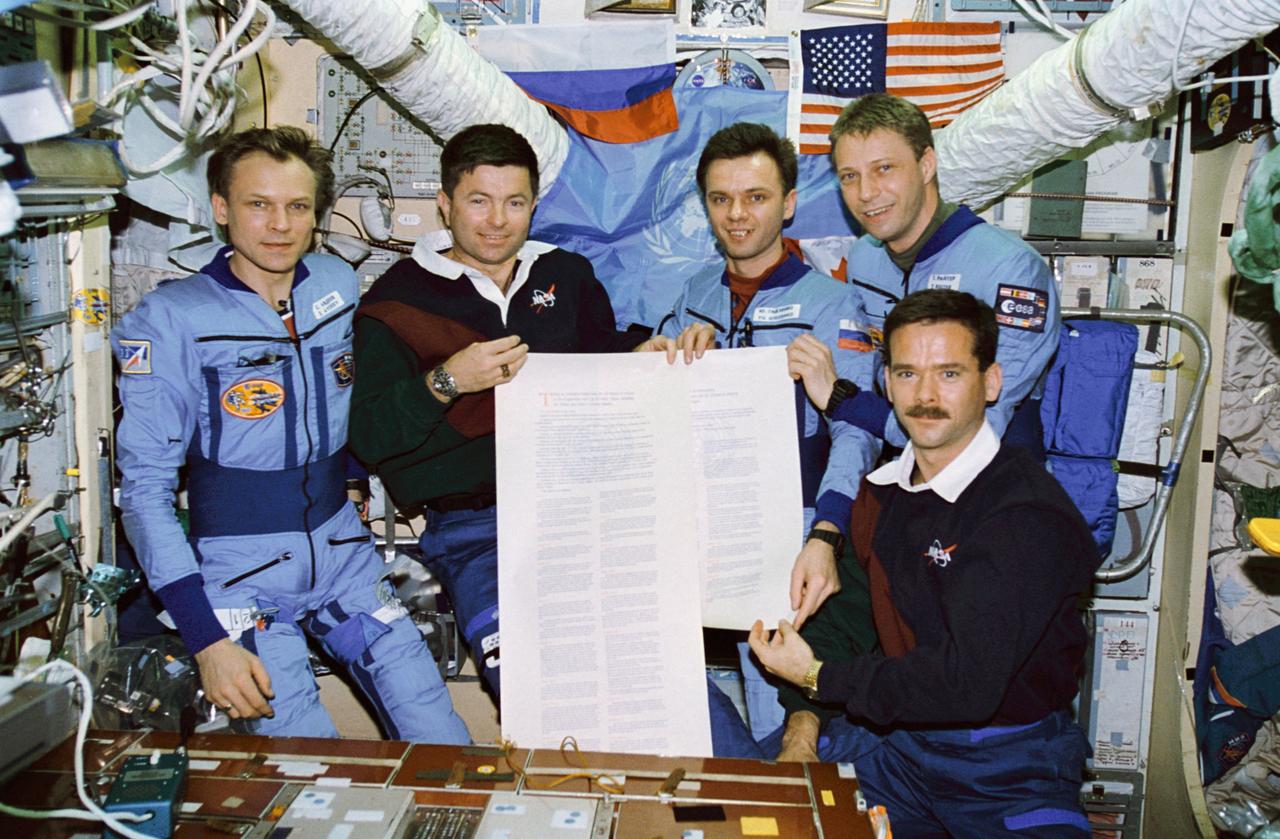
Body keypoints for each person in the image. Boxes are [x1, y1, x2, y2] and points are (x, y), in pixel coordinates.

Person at [112, 126, 469, 742]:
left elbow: (343, 399)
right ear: (222, 209)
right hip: (239, 576)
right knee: (307, 773)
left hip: (340, 558)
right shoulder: (172, 319)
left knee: (440, 737)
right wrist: (207, 640)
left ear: (316, 215)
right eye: (258, 204)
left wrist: (353, 481)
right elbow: (144, 492)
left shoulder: (333, 284)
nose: (279, 225)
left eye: (297, 207)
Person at [731, 290, 1096, 836]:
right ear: (886, 383)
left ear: (990, 383)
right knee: (738, 811)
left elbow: (965, 683)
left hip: (1009, 764)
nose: (925, 396)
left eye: (949, 374)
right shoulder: (885, 493)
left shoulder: (1025, 514)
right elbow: (841, 621)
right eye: (907, 374)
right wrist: (800, 734)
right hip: (900, 752)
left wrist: (816, 676)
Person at [348, 123, 672, 701]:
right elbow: (369, 436)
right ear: (445, 205)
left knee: (653, 674)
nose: (497, 220)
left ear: (533, 205)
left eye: (515, 202)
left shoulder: (566, 276)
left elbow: (601, 363)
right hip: (475, 530)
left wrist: (645, 356)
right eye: (479, 200)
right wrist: (448, 381)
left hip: (585, 512)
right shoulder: (393, 301)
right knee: (538, 692)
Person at [654, 122, 881, 737]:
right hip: (698, 525)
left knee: (780, 705)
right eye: (721, 198)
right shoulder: (694, 294)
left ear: (788, 203)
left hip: (789, 530)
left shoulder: (832, 305)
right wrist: (657, 363)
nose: (737, 215)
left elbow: (856, 435)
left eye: (755, 197)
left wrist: (826, 534)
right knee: (666, 691)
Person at [789, 93, 1059, 456]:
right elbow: (867, 371)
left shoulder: (1011, 270)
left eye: (884, 168)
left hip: (989, 488)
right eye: (850, 176)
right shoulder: (865, 257)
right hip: (898, 477)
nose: (866, 193)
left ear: (927, 164)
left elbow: (971, 434)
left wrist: (842, 400)